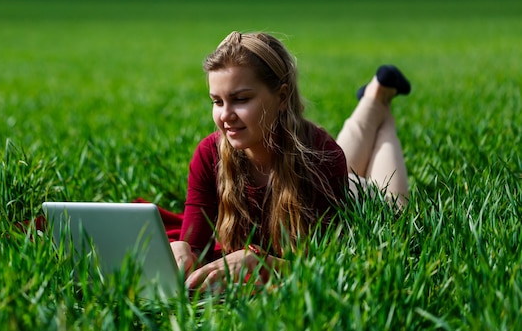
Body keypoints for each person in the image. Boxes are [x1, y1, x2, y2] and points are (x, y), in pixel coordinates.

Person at [170, 31, 411, 293]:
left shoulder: (323, 156)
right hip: (319, 169)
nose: (225, 115)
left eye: (241, 99)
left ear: (282, 97)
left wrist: (264, 262)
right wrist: (182, 250)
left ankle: (379, 101)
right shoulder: (209, 154)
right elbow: (195, 246)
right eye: (217, 101)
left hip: (356, 196)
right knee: (337, 149)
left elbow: (328, 266)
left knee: (395, 203)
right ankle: (375, 95)